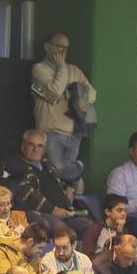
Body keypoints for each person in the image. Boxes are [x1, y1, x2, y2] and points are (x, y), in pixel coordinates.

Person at [32, 33, 95, 183]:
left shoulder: (74, 70)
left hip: (74, 133)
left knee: (64, 179)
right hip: (51, 131)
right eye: (58, 46)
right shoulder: (39, 69)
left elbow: (92, 94)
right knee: (56, 171)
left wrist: (72, 95)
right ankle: (77, 172)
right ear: (47, 46)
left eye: (65, 48)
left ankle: (73, 186)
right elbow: (55, 91)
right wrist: (61, 68)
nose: (62, 51)